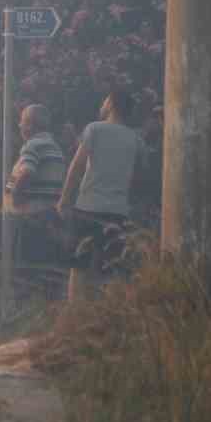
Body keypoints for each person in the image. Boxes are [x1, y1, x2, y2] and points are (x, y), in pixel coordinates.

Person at [57, 91, 141, 300]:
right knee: (112, 267)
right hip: (118, 211)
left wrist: (64, 200)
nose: (102, 103)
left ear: (111, 104)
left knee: (79, 265)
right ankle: (107, 316)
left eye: (104, 99)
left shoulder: (94, 128)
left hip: (88, 207)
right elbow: (137, 179)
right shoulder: (135, 138)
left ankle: (74, 314)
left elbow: (76, 168)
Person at [4, 103, 69, 273]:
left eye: (22, 122)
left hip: (31, 218)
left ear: (30, 126)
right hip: (48, 216)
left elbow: (27, 172)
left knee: (25, 270)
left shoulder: (33, 145)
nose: (19, 126)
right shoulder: (55, 147)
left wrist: (15, 199)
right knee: (42, 271)